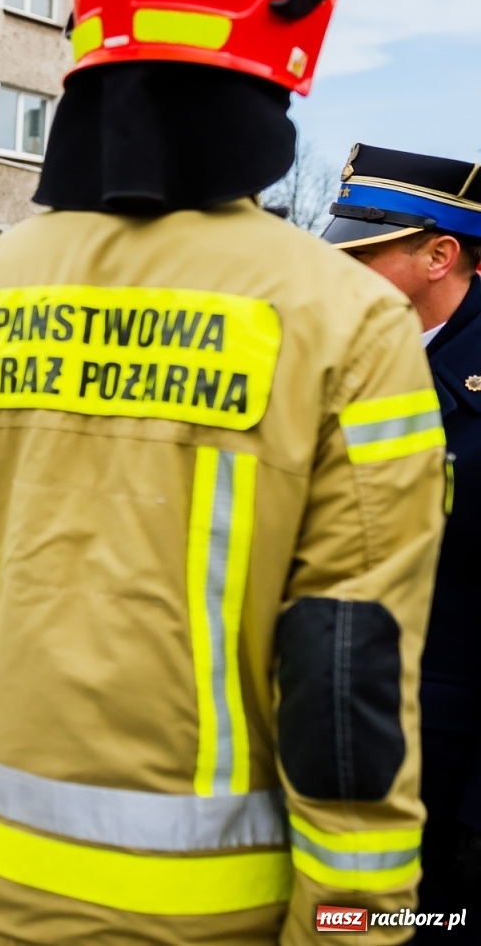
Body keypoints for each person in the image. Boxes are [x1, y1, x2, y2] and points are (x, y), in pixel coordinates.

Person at [0, 0, 448, 943]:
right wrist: (352, 926)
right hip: (220, 918)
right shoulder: (347, 320)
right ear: (294, 29)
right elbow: (344, 668)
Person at [324, 143, 481, 931]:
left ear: (440, 255)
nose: (342, 277)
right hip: (340, 743)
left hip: (448, 769)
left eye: (364, 255)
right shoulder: (346, 359)